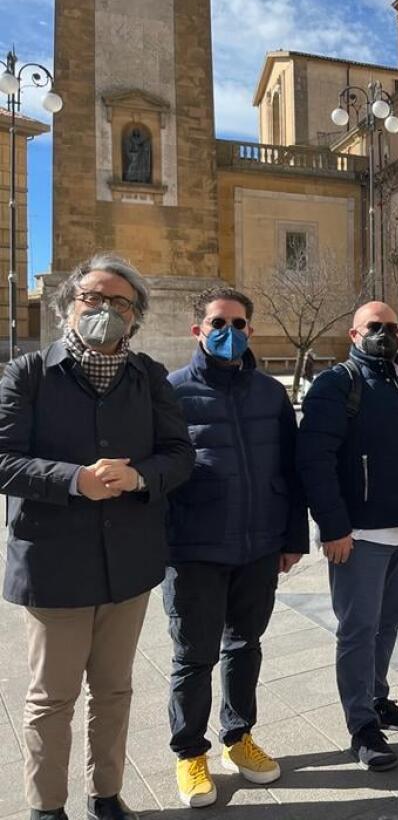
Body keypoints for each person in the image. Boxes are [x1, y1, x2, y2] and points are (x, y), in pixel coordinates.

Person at [0, 254, 195, 820]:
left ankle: (105, 795)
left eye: (120, 302)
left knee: (113, 690)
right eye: (93, 297)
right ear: (68, 305)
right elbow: (4, 459)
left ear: (134, 317)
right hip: (53, 565)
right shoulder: (29, 374)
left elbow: (180, 454)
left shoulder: (149, 376)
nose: (105, 309)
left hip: (127, 564)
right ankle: (46, 807)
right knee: (52, 697)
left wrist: (140, 477)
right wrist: (73, 480)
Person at [165, 287, 310, 808]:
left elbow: (291, 470)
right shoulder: (171, 392)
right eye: (218, 323)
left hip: (259, 546)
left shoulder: (270, 393)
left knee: (245, 646)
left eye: (239, 323)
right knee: (193, 657)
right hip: (194, 549)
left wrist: (292, 538)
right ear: (197, 330)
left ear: (251, 329)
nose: (230, 332)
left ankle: (238, 736)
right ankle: (189, 752)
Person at [296, 302, 398, 772]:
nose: (385, 334)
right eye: (374, 327)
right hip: (357, 534)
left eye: (392, 327)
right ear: (354, 334)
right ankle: (361, 726)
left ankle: (377, 698)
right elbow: (314, 461)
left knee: (390, 620)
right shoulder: (337, 384)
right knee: (358, 629)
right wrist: (333, 527)